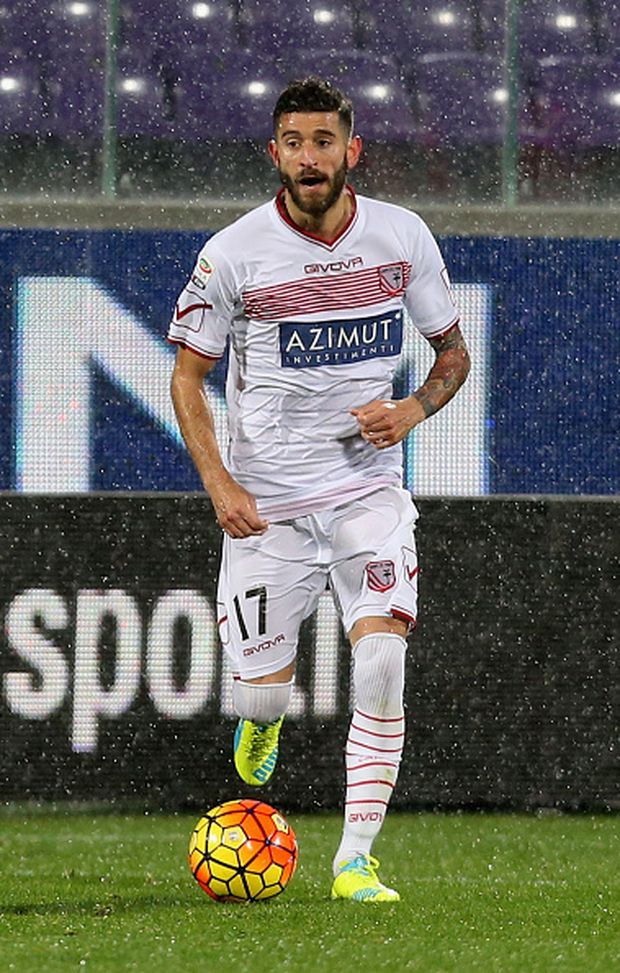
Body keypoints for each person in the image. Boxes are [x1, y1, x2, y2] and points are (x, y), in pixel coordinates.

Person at [168, 76, 470, 902]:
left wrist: (411, 409)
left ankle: (354, 860)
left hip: (366, 492)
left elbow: (452, 354)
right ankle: (261, 715)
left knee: (382, 657)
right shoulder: (233, 254)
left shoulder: (401, 237)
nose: (310, 158)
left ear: (352, 151)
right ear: (275, 153)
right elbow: (188, 378)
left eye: (324, 142)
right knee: (259, 690)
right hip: (265, 506)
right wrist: (219, 482)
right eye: (295, 143)